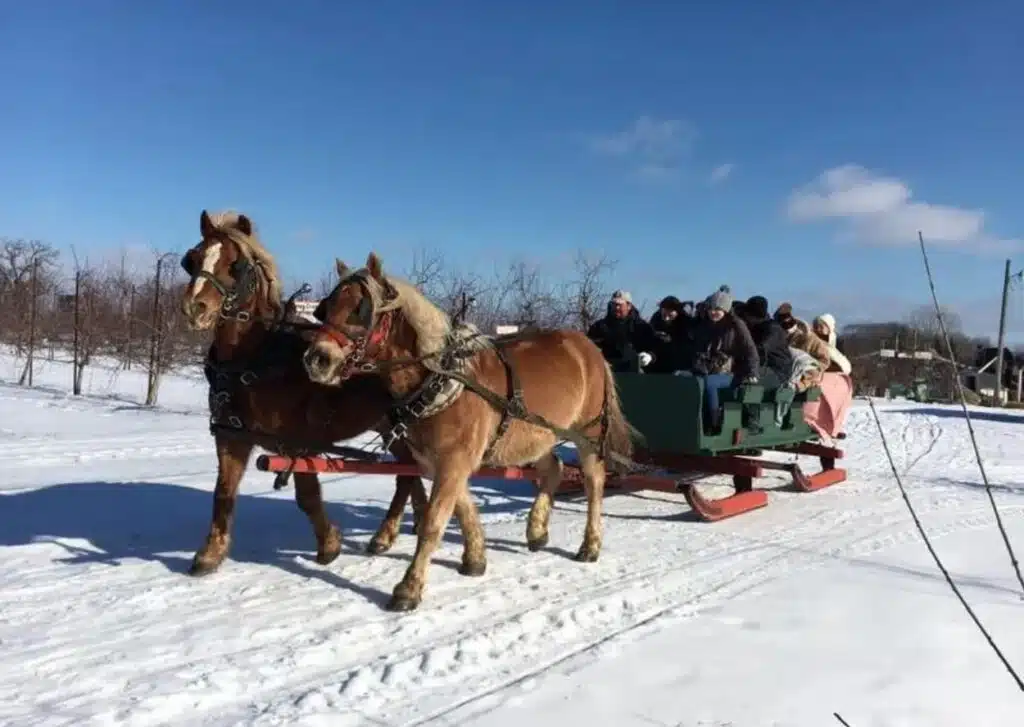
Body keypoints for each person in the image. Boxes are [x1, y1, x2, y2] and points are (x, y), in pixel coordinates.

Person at [688, 286, 760, 431]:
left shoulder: (736, 326)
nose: (713, 312)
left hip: (732, 371)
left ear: (725, 310)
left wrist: (752, 373)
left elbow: (750, 350)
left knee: (710, 383)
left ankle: (715, 421)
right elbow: (698, 349)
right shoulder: (704, 325)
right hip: (707, 368)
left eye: (718, 309)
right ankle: (694, 421)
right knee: (694, 382)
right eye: (711, 309)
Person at [586, 290, 659, 373]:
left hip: (635, 372)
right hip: (606, 371)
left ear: (629, 306)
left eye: (620, 305)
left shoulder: (642, 327)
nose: (616, 308)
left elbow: (655, 348)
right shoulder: (599, 327)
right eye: (614, 304)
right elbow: (589, 346)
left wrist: (650, 356)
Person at [740, 295, 793, 386]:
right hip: (765, 367)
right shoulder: (756, 327)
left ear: (752, 315)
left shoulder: (772, 329)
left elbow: (761, 350)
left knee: (740, 377)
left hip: (778, 372)